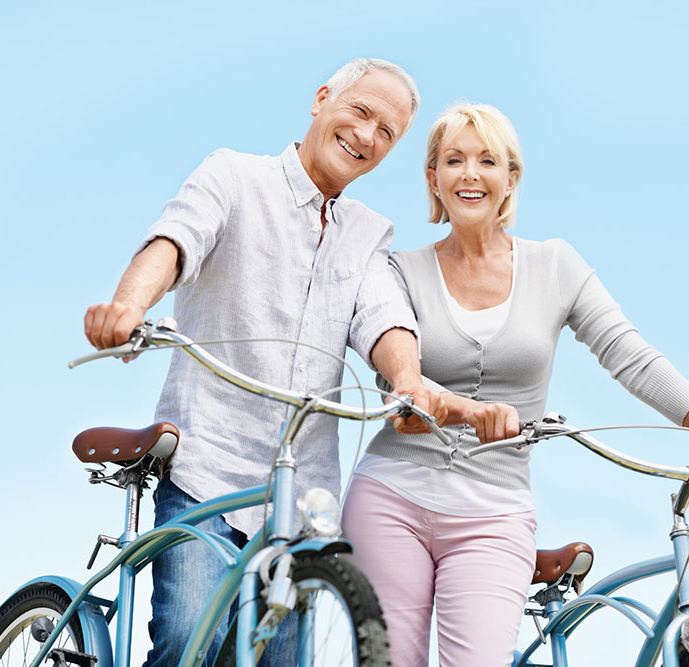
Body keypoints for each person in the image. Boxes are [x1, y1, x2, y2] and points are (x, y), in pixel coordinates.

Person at [341, 103, 689, 667]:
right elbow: (395, 368)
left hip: (494, 511)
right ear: (432, 177)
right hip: (390, 496)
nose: (469, 174)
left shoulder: (555, 266)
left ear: (511, 179)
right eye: (453, 160)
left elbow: (634, 358)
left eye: (487, 160)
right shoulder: (398, 270)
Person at [83, 58, 446, 667]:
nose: (367, 136)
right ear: (322, 99)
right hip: (208, 469)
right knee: (184, 643)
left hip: (301, 499)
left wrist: (407, 380)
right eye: (360, 112)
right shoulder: (234, 176)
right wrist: (128, 306)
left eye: (388, 132)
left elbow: (384, 315)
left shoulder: (368, 234)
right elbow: (175, 241)